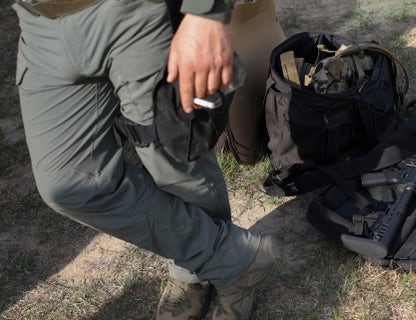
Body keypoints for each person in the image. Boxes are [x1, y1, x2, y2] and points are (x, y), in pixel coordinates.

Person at [11, 0, 283, 319]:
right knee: (68, 183)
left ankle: (198, 271)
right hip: (41, 22)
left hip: (132, 12)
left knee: (176, 157)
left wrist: (206, 12)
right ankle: (234, 257)